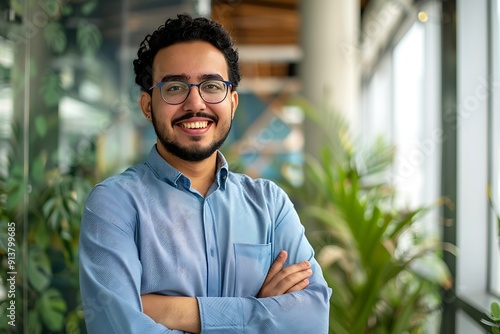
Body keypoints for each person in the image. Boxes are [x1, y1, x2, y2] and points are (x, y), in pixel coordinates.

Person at [79, 13, 331, 334]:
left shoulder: (271, 205)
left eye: (212, 86)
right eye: (174, 87)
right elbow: (115, 327)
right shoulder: (113, 205)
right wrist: (261, 309)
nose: (195, 103)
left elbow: (311, 321)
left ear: (233, 102)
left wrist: (175, 311)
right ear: (147, 105)